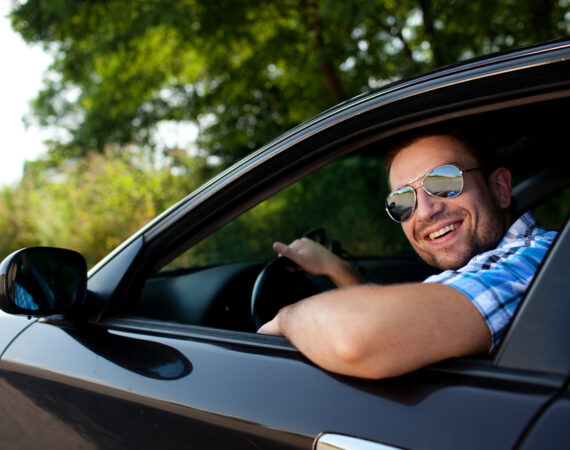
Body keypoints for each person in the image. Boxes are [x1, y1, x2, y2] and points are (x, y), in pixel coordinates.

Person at [257, 133, 557, 379]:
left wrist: (285, 318)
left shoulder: (537, 261)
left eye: (444, 182)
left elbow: (360, 337)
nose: (425, 211)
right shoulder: (514, 265)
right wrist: (337, 269)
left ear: (500, 188)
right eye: (403, 200)